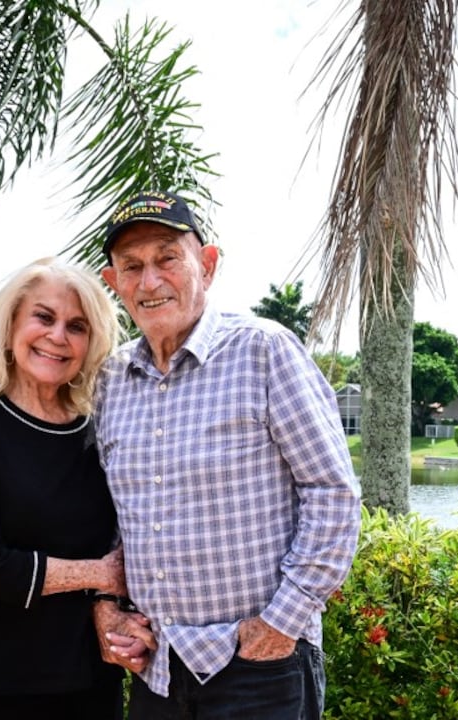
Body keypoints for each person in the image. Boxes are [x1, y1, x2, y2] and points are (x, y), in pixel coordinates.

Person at [91, 189, 361, 719]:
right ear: (113, 283)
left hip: (259, 664)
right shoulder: (110, 380)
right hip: (158, 669)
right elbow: (108, 515)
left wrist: (282, 623)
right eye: (132, 266)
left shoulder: (265, 351)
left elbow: (332, 493)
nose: (150, 281)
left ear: (207, 265)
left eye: (168, 259)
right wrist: (109, 608)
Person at [0, 257, 129, 720]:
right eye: (43, 317)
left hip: (91, 676)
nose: (57, 336)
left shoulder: (100, 430)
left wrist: (109, 599)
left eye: (77, 326)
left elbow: (123, 536)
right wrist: (100, 574)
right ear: (11, 326)